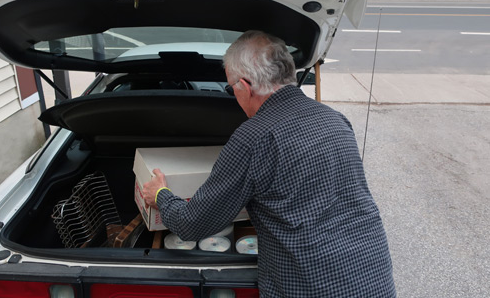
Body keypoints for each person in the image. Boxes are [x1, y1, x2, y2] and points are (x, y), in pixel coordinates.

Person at [143, 30, 396, 297]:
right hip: (374, 278)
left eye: (231, 88)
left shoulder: (254, 137)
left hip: (312, 287)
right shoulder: (335, 119)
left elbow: (192, 225)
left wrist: (160, 195)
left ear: (245, 86)